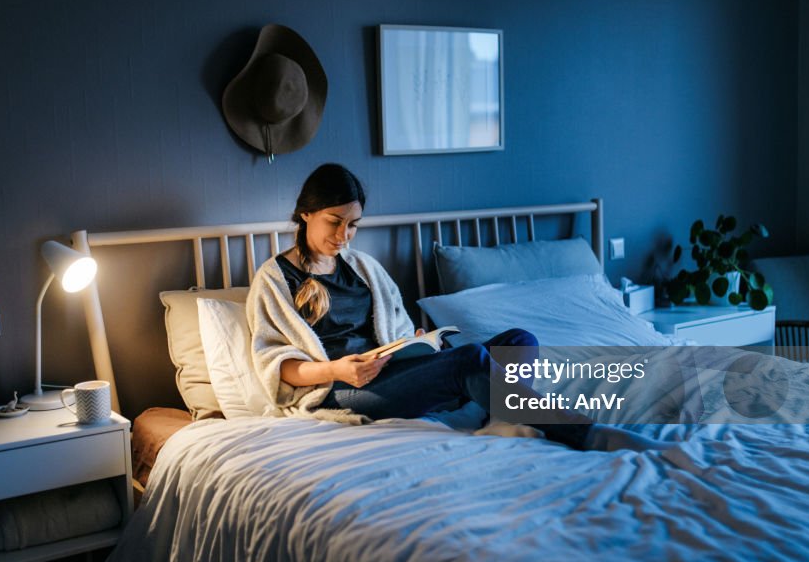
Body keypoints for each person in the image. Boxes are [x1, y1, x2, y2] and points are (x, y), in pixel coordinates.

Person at [246, 163, 673, 452]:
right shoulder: (275, 278)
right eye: (334, 221)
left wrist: (413, 340)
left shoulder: (363, 268)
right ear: (305, 214)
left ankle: (498, 412)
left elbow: (393, 327)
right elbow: (276, 362)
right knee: (469, 360)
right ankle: (584, 432)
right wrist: (338, 370)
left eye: (353, 224)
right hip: (340, 389)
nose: (344, 235)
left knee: (519, 340)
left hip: (389, 369)